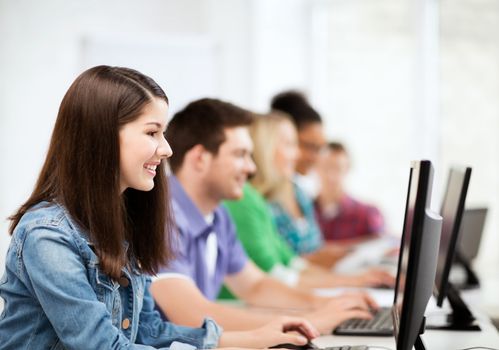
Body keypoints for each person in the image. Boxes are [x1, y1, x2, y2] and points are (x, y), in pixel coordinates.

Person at [0, 66, 319, 350]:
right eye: (152, 132)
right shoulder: (47, 235)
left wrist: (256, 339)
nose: (166, 149)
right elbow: (100, 345)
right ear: (104, 136)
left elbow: (148, 331)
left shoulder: (123, 223)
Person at [150, 98, 377, 335]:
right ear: (200, 159)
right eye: (240, 154)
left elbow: (255, 285)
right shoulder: (162, 217)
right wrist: (308, 320)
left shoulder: (218, 215)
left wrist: (321, 304)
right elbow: (190, 315)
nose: (251, 168)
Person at [223, 112, 393, 289]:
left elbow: (292, 263)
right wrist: (347, 285)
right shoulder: (244, 200)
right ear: (265, 148)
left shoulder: (258, 200)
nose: (297, 154)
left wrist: (355, 281)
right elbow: (275, 275)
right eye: (289, 144)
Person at [315, 142, 385, 244]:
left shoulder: (367, 215)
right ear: (316, 168)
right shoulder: (305, 212)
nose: (331, 176)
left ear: (347, 170)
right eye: (326, 167)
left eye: (337, 169)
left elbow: (385, 247)